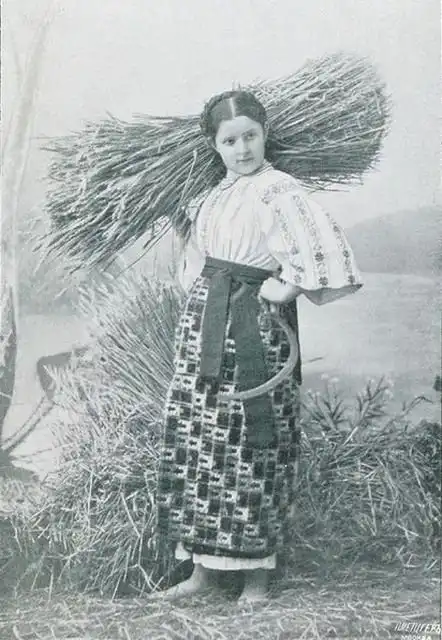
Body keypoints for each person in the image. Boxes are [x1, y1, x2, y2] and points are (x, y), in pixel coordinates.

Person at [155, 90, 362, 602]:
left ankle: (256, 578)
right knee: (201, 441)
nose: (243, 148)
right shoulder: (210, 197)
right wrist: (199, 299)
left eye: (250, 136)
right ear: (215, 145)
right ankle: (201, 572)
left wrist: (286, 287)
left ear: (265, 134)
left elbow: (319, 250)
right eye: (230, 141)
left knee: (252, 440)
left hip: (257, 327)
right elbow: (196, 261)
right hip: (206, 322)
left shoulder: (278, 190)